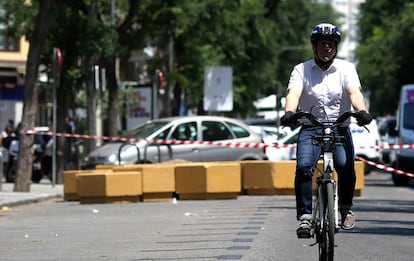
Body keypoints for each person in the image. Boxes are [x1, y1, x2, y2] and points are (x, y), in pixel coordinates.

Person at [280, 23, 373, 238]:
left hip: (339, 128)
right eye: (322, 43)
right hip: (311, 128)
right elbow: (293, 93)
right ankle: (304, 217)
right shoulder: (300, 70)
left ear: (336, 47)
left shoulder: (346, 68)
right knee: (304, 168)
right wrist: (289, 112)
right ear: (314, 47)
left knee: (345, 166)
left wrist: (362, 111)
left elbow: (354, 92)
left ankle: (345, 208)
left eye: (331, 44)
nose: (327, 47)